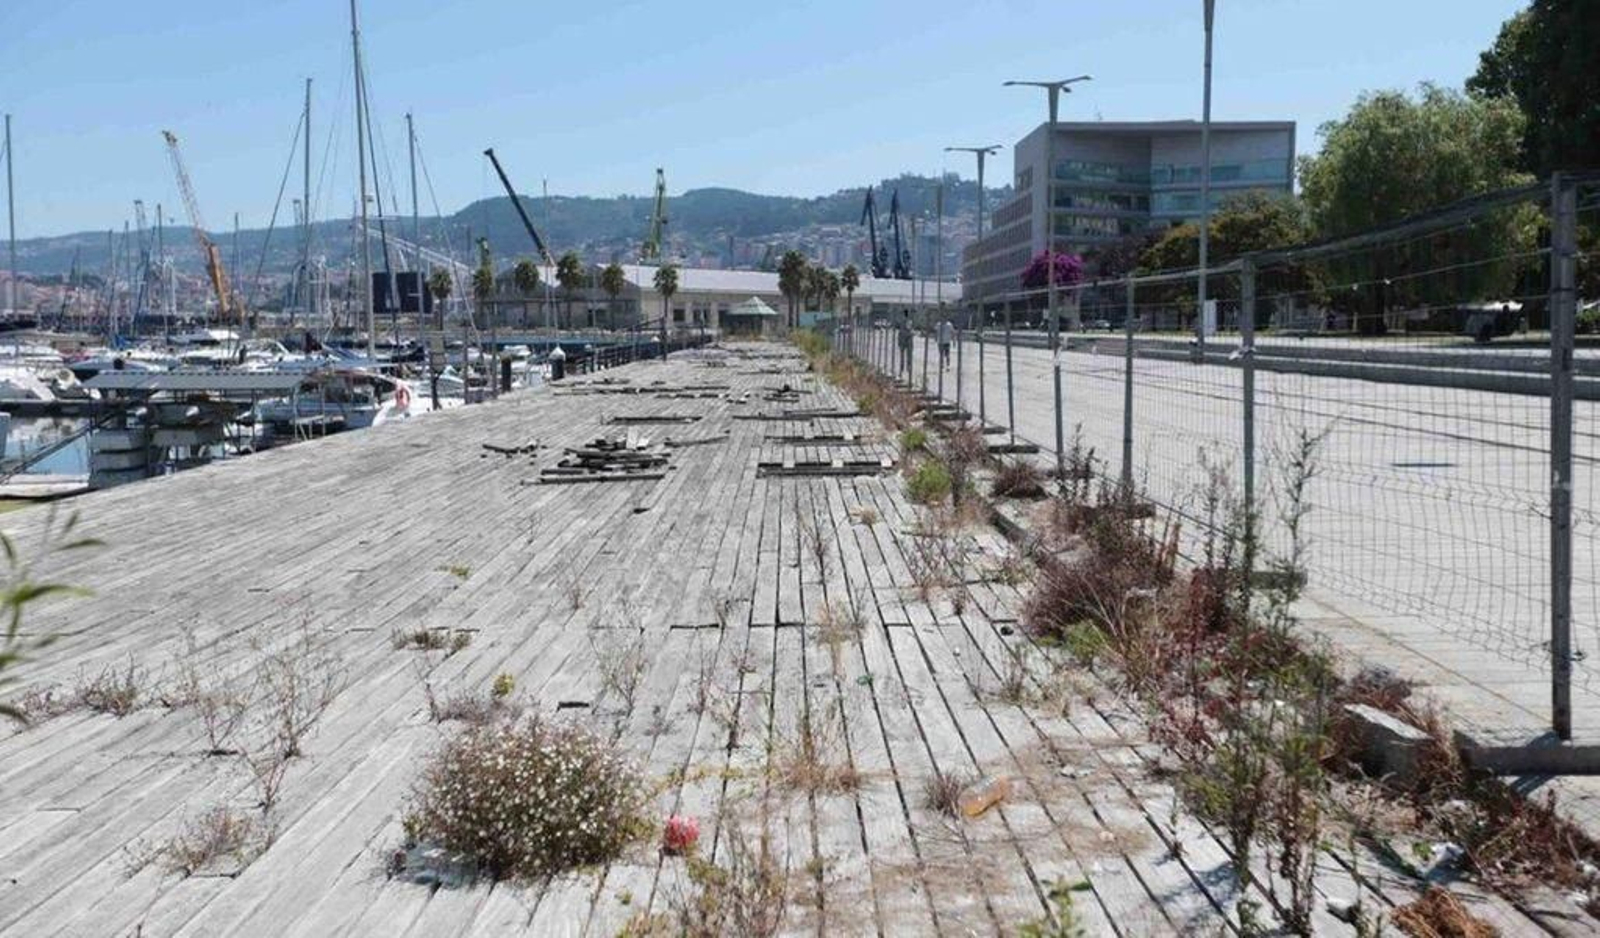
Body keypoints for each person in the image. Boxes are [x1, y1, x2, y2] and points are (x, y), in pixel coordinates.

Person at [896, 312, 914, 378]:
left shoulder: (903, 322)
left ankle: (904, 367)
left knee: (904, 355)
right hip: (907, 340)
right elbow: (909, 329)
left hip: (904, 340)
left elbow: (901, 332)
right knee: (907, 355)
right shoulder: (908, 322)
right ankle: (907, 367)